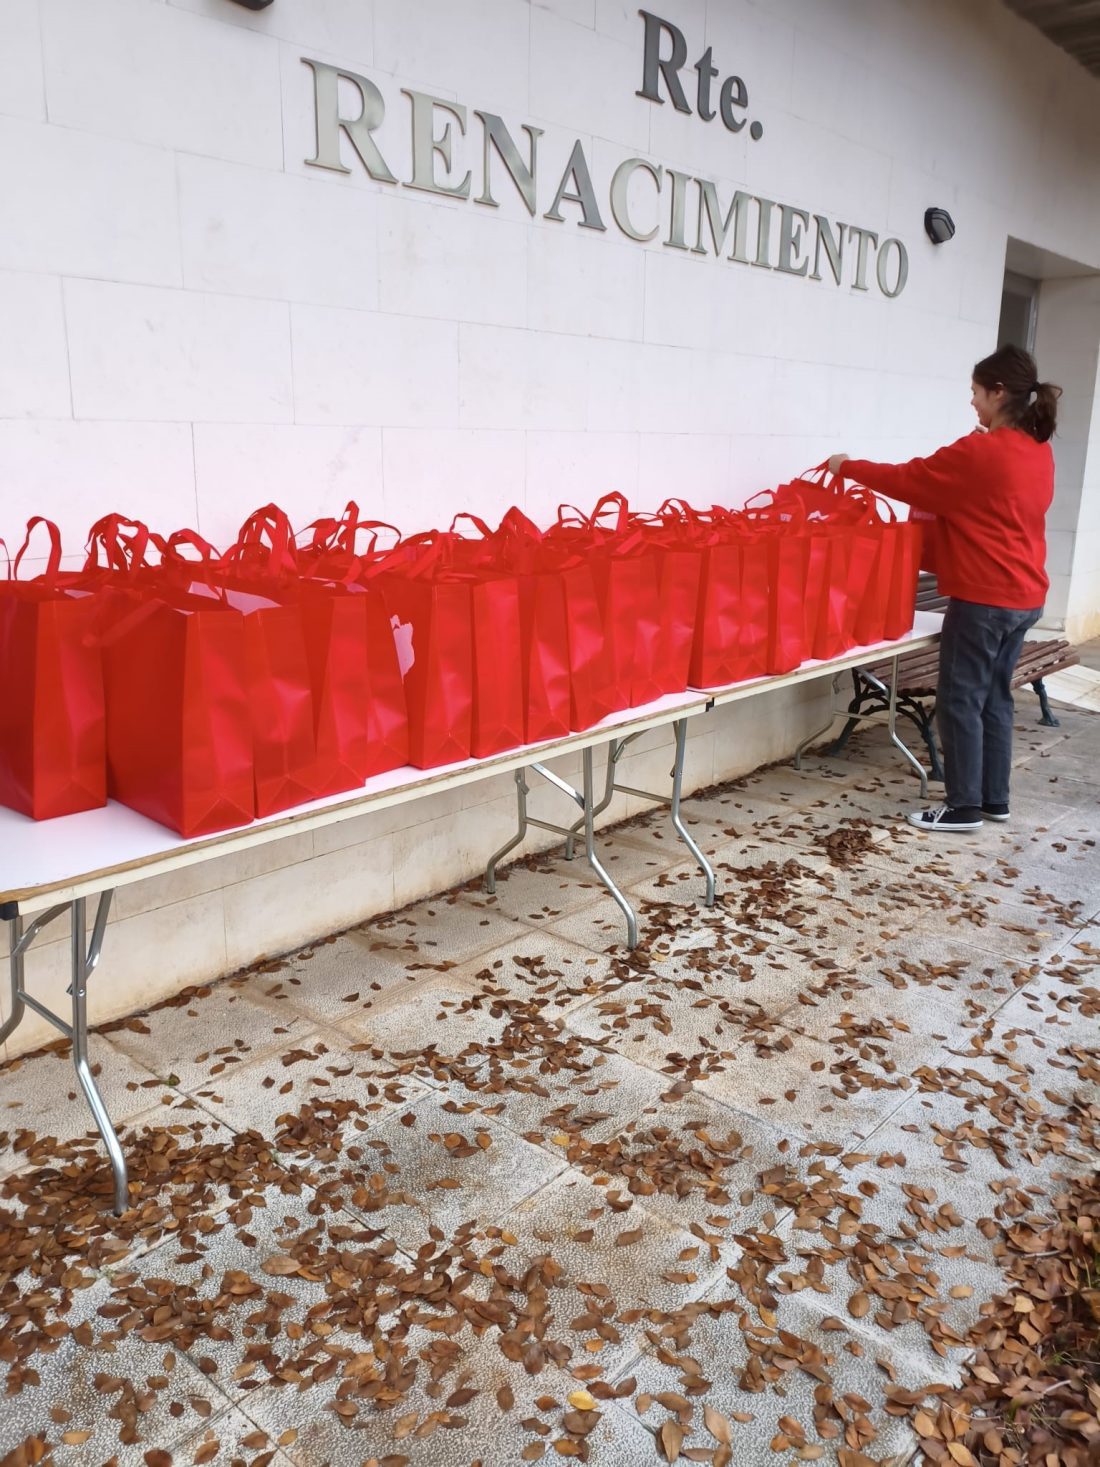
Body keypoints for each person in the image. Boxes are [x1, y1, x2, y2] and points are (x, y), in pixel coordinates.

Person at [827, 344, 1061, 834]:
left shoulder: (980, 452)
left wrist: (846, 467)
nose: (972, 402)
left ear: (998, 393)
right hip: (1025, 596)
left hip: (986, 598)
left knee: (959, 700)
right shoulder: (1038, 449)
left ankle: (962, 807)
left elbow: (910, 479)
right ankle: (994, 800)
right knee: (995, 697)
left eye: (976, 393)